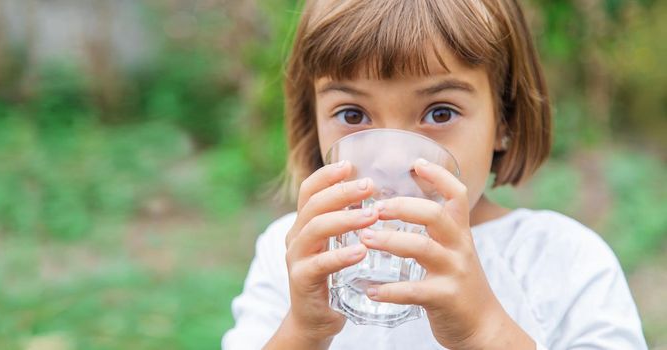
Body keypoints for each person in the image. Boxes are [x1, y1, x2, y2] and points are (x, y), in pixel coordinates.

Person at [221, 0, 647, 349]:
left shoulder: (561, 259)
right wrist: (302, 330)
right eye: (353, 114)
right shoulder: (291, 254)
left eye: (439, 112)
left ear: (504, 119)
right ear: (314, 123)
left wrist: (483, 330)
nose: (389, 158)